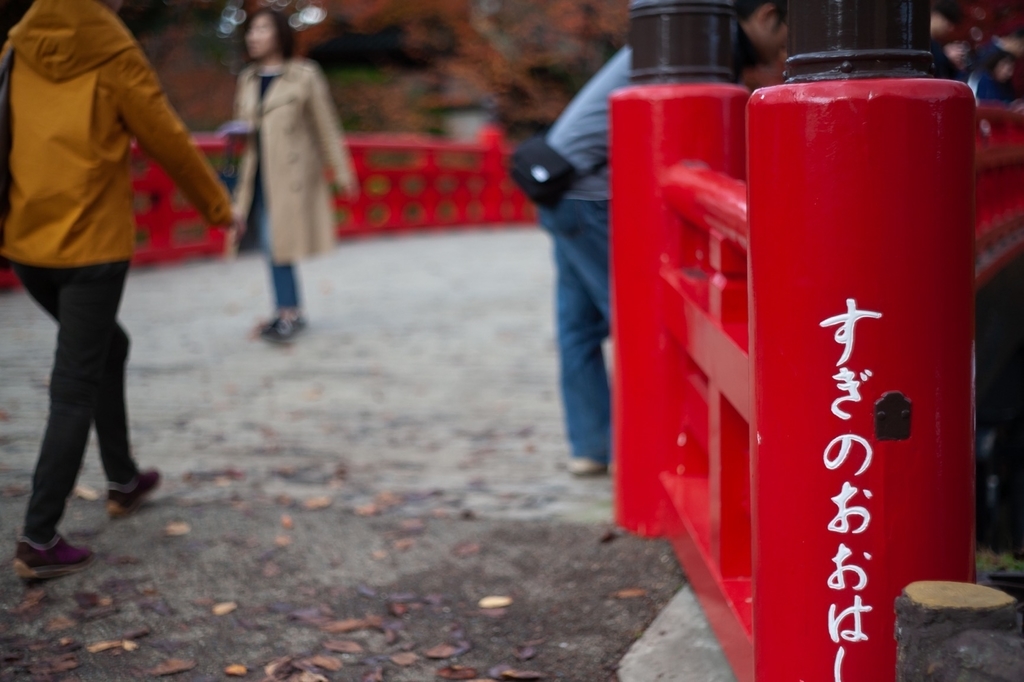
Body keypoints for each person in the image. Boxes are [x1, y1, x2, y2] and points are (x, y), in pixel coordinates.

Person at [2, 0, 239, 579]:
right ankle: (38, 537)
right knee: (74, 384)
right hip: (92, 251)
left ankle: (123, 480)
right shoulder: (112, 50)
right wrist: (216, 204)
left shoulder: (17, 47)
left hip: (26, 243)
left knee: (111, 348)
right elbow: (164, 134)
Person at [538, 0, 788, 476]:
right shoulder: (707, 42)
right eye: (787, 32)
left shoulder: (685, 38)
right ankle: (656, 453)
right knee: (640, 320)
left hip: (560, 185)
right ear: (766, 15)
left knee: (579, 331)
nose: (786, 48)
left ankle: (591, 448)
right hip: (589, 193)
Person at [231, 9, 359, 345]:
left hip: (290, 176)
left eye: (261, 29)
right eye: (250, 30)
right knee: (271, 243)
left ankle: (287, 312)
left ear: (279, 34)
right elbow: (245, 129)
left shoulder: (304, 75)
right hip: (256, 174)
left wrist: (342, 171)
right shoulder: (247, 79)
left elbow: (325, 126)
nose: (253, 36)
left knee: (278, 243)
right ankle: (290, 311)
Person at [930, 0, 967, 80]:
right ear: (936, 16)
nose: (950, 28)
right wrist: (946, 57)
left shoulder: (937, 45)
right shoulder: (922, 42)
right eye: (948, 23)